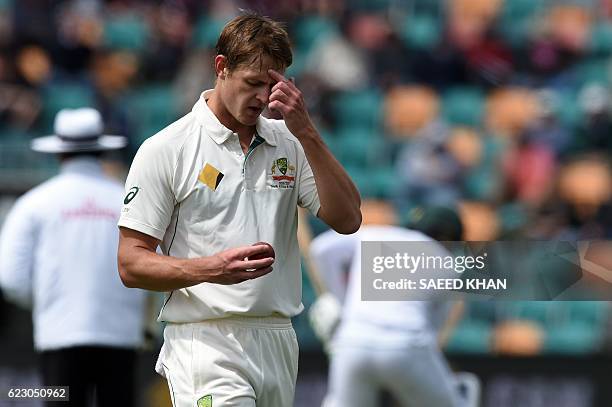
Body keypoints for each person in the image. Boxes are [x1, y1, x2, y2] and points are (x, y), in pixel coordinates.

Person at [117, 12, 361, 407]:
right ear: (221, 68)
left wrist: (306, 131)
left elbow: (348, 219)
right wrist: (212, 269)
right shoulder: (167, 148)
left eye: (273, 85)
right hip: (205, 338)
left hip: (279, 337)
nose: (264, 98)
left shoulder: (291, 140)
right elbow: (130, 263)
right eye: (253, 83)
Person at [0, 108, 146, 407]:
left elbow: (11, 278)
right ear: (101, 151)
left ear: (59, 153)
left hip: (59, 333)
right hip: (120, 334)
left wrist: (49, 300)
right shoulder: (127, 200)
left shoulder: (34, 203)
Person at [309, 206, 474, 407]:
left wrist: (340, 301)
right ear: (449, 239)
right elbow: (432, 332)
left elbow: (320, 248)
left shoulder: (378, 234)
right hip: (406, 344)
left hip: (353, 341)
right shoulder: (447, 262)